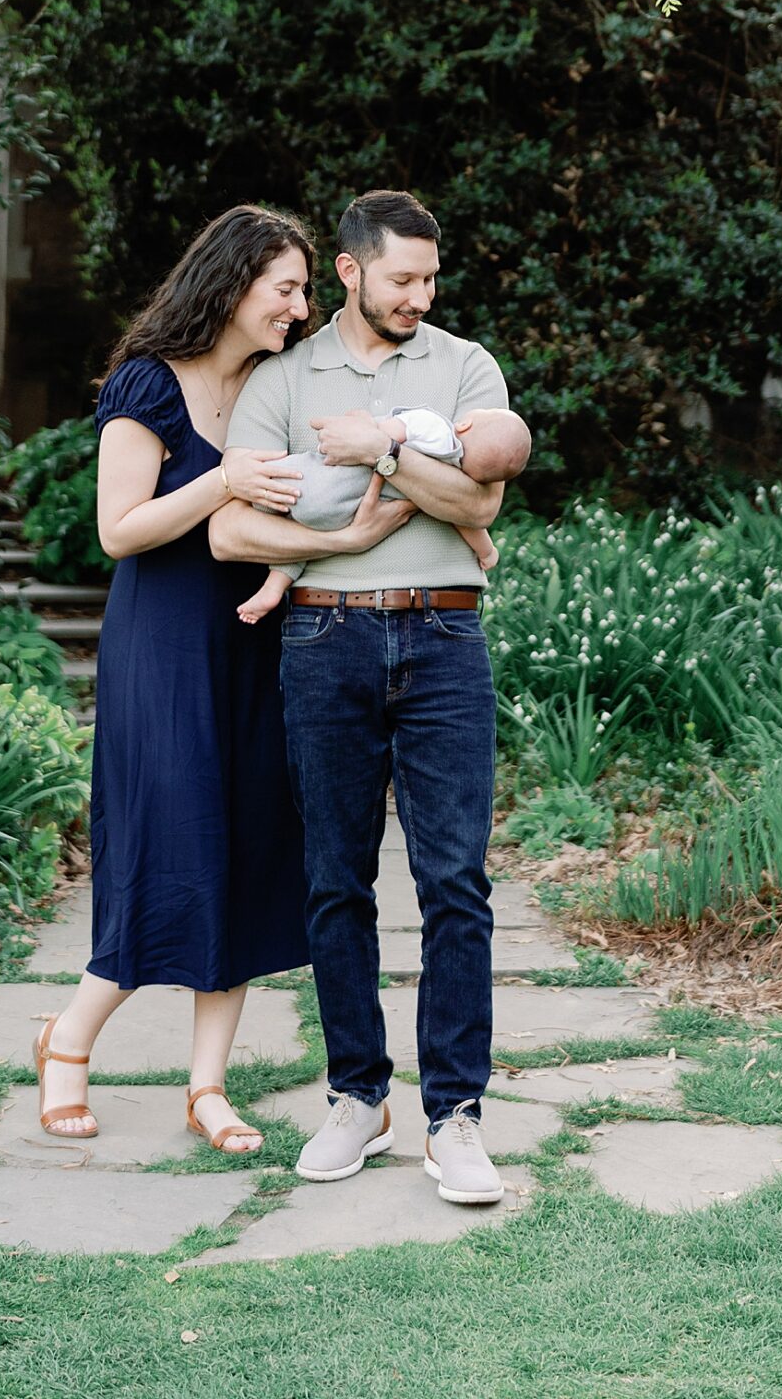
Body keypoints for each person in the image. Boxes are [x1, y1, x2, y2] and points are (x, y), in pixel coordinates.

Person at [32, 204, 402, 1155]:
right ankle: (67, 1041)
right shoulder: (145, 385)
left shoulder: (276, 387)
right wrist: (223, 480)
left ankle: (207, 1088)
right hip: (163, 646)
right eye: (286, 287)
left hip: (256, 637)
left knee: (242, 847)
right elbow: (120, 530)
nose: (301, 305)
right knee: (168, 839)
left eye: (305, 289)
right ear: (234, 284)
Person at [211, 189, 519, 1207]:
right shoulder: (281, 378)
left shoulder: (465, 366)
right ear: (348, 271)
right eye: (401, 279)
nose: (419, 296)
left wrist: (383, 449)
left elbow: (476, 498)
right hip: (322, 638)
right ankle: (357, 1097)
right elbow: (235, 530)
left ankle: (455, 1117)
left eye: (429, 279)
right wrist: (341, 534)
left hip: (442, 634)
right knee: (334, 881)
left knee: (453, 883)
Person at [234, 406, 533, 620]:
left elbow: (375, 439)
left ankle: (235, 481)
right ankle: (274, 588)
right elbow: (465, 522)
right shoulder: (448, 480)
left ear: (466, 424)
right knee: (309, 544)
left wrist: (359, 419)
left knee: (265, 484)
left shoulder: (436, 427)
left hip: (319, 480)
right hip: (339, 516)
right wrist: (488, 552)